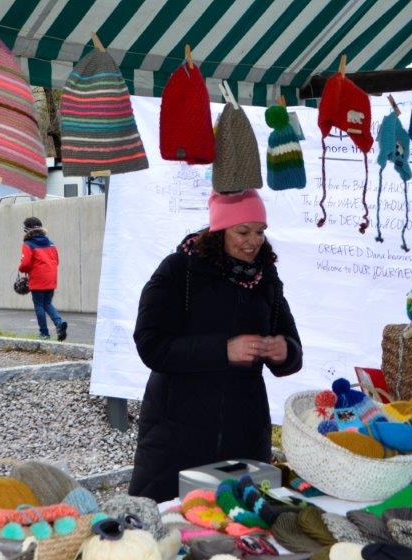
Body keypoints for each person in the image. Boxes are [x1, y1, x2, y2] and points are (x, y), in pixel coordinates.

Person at [129, 189, 303, 502]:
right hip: (177, 434)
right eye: (243, 232)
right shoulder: (179, 270)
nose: (253, 241)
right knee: (171, 523)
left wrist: (284, 350)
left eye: (260, 231)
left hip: (245, 433)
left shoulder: (265, 278)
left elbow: (293, 348)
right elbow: (150, 344)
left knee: (239, 522)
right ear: (220, 230)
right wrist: (223, 349)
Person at [18, 216, 67, 341]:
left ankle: (44, 333)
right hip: (51, 277)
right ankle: (59, 323)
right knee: (47, 303)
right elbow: (56, 261)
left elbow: (25, 264)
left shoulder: (28, 244)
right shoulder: (50, 243)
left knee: (39, 305)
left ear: (27, 230)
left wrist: (21, 269)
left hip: (38, 278)